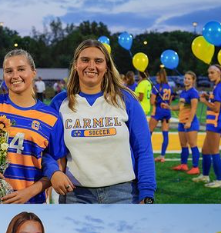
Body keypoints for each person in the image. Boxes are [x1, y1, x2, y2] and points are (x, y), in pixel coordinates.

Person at [49, 40, 155, 204]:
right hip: (76, 196)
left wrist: (147, 194)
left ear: (106, 67)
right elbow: (48, 150)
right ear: (76, 65)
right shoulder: (59, 103)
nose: (91, 66)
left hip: (123, 194)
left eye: (98, 61)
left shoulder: (126, 100)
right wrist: (53, 172)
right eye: (85, 60)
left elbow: (144, 149)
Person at [0, 50, 67, 204]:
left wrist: (30, 192)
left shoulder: (51, 117)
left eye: (21, 69)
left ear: (33, 72)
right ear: (4, 75)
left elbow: (55, 166)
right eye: (9, 71)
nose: (15, 75)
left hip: (31, 204)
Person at [193, 64, 221, 189]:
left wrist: (204, 101)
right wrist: (209, 97)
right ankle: (205, 175)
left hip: (216, 123)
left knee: (214, 151)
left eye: (212, 72)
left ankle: (220, 180)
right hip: (215, 123)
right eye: (209, 73)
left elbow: (216, 107)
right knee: (206, 151)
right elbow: (218, 101)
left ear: (219, 73)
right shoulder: (220, 86)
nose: (209, 75)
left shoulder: (219, 87)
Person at [172, 71, 200, 175]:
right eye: (185, 78)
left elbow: (194, 108)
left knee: (193, 144)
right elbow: (179, 107)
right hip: (181, 122)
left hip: (190, 123)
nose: (186, 80)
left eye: (189, 78)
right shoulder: (183, 92)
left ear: (193, 80)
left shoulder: (193, 92)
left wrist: (189, 122)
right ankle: (183, 165)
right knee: (183, 145)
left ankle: (195, 167)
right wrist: (169, 107)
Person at [150, 68, 172, 163]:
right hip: (167, 111)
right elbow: (170, 101)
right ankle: (162, 155)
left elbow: (151, 102)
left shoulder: (157, 87)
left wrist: (155, 101)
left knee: (148, 133)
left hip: (158, 110)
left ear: (159, 76)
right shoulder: (169, 86)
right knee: (165, 134)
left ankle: (147, 153)